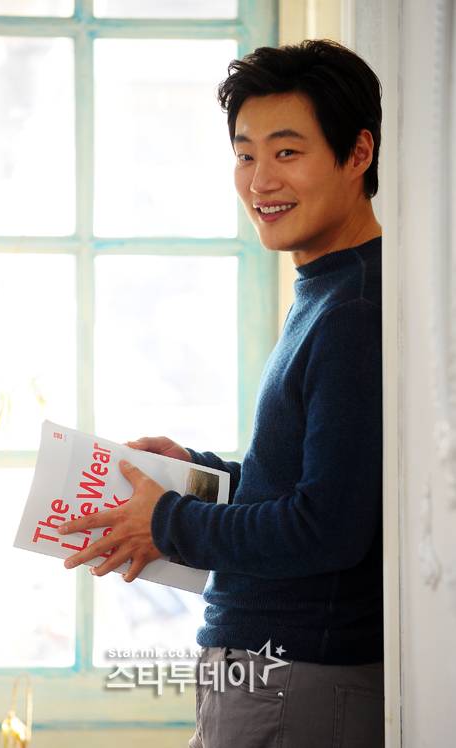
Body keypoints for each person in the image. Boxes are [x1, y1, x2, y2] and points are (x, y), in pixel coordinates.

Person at [59, 38, 385, 748]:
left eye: (287, 152)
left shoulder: (355, 310)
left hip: (293, 677)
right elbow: (313, 484)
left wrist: (168, 520)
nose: (260, 180)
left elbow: (328, 527)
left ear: (358, 153)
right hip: (274, 676)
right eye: (245, 155)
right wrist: (200, 473)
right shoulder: (329, 291)